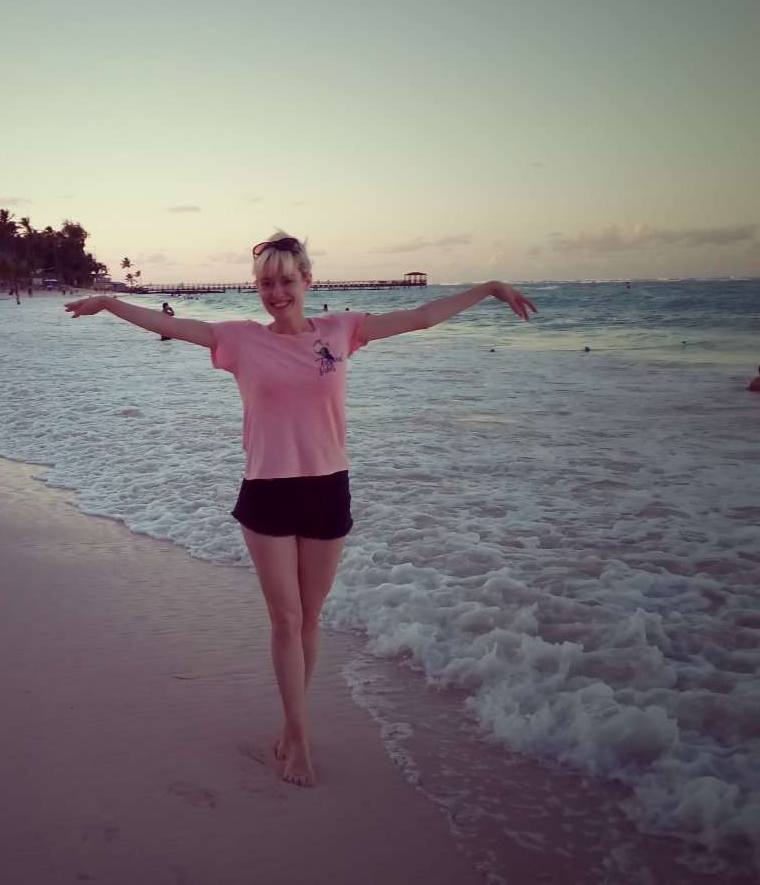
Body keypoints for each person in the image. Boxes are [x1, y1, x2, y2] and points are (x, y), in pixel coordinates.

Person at [65, 231, 536, 787]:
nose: (277, 292)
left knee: (310, 618)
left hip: (327, 490)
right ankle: (300, 737)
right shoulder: (239, 340)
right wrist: (110, 303)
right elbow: (170, 325)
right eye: (266, 283)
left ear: (308, 281)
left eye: (287, 280)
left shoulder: (342, 330)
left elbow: (421, 317)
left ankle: (291, 728)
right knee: (285, 619)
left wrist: (489, 287)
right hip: (266, 492)